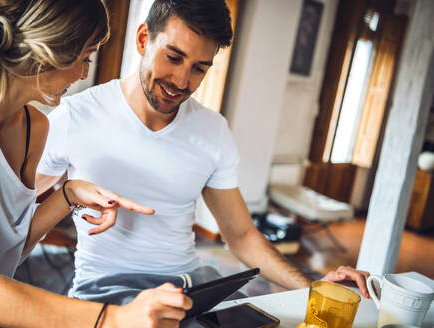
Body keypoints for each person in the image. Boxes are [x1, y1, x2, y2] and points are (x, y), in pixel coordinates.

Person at [36, 0, 370, 306]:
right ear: (143, 39)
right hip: (105, 289)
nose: (181, 80)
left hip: (188, 285)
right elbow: (17, 206)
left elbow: (240, 235)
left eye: (199, 68)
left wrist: (311, 285)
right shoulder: (76, 115)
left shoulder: (213, 131)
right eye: (174, 57)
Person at [0, 0, 192, 327]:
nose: (85, 73)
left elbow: (5, 252)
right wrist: (113, 319)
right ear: (48, 50)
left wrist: (69, 194)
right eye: (85, 57)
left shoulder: (34, 128)